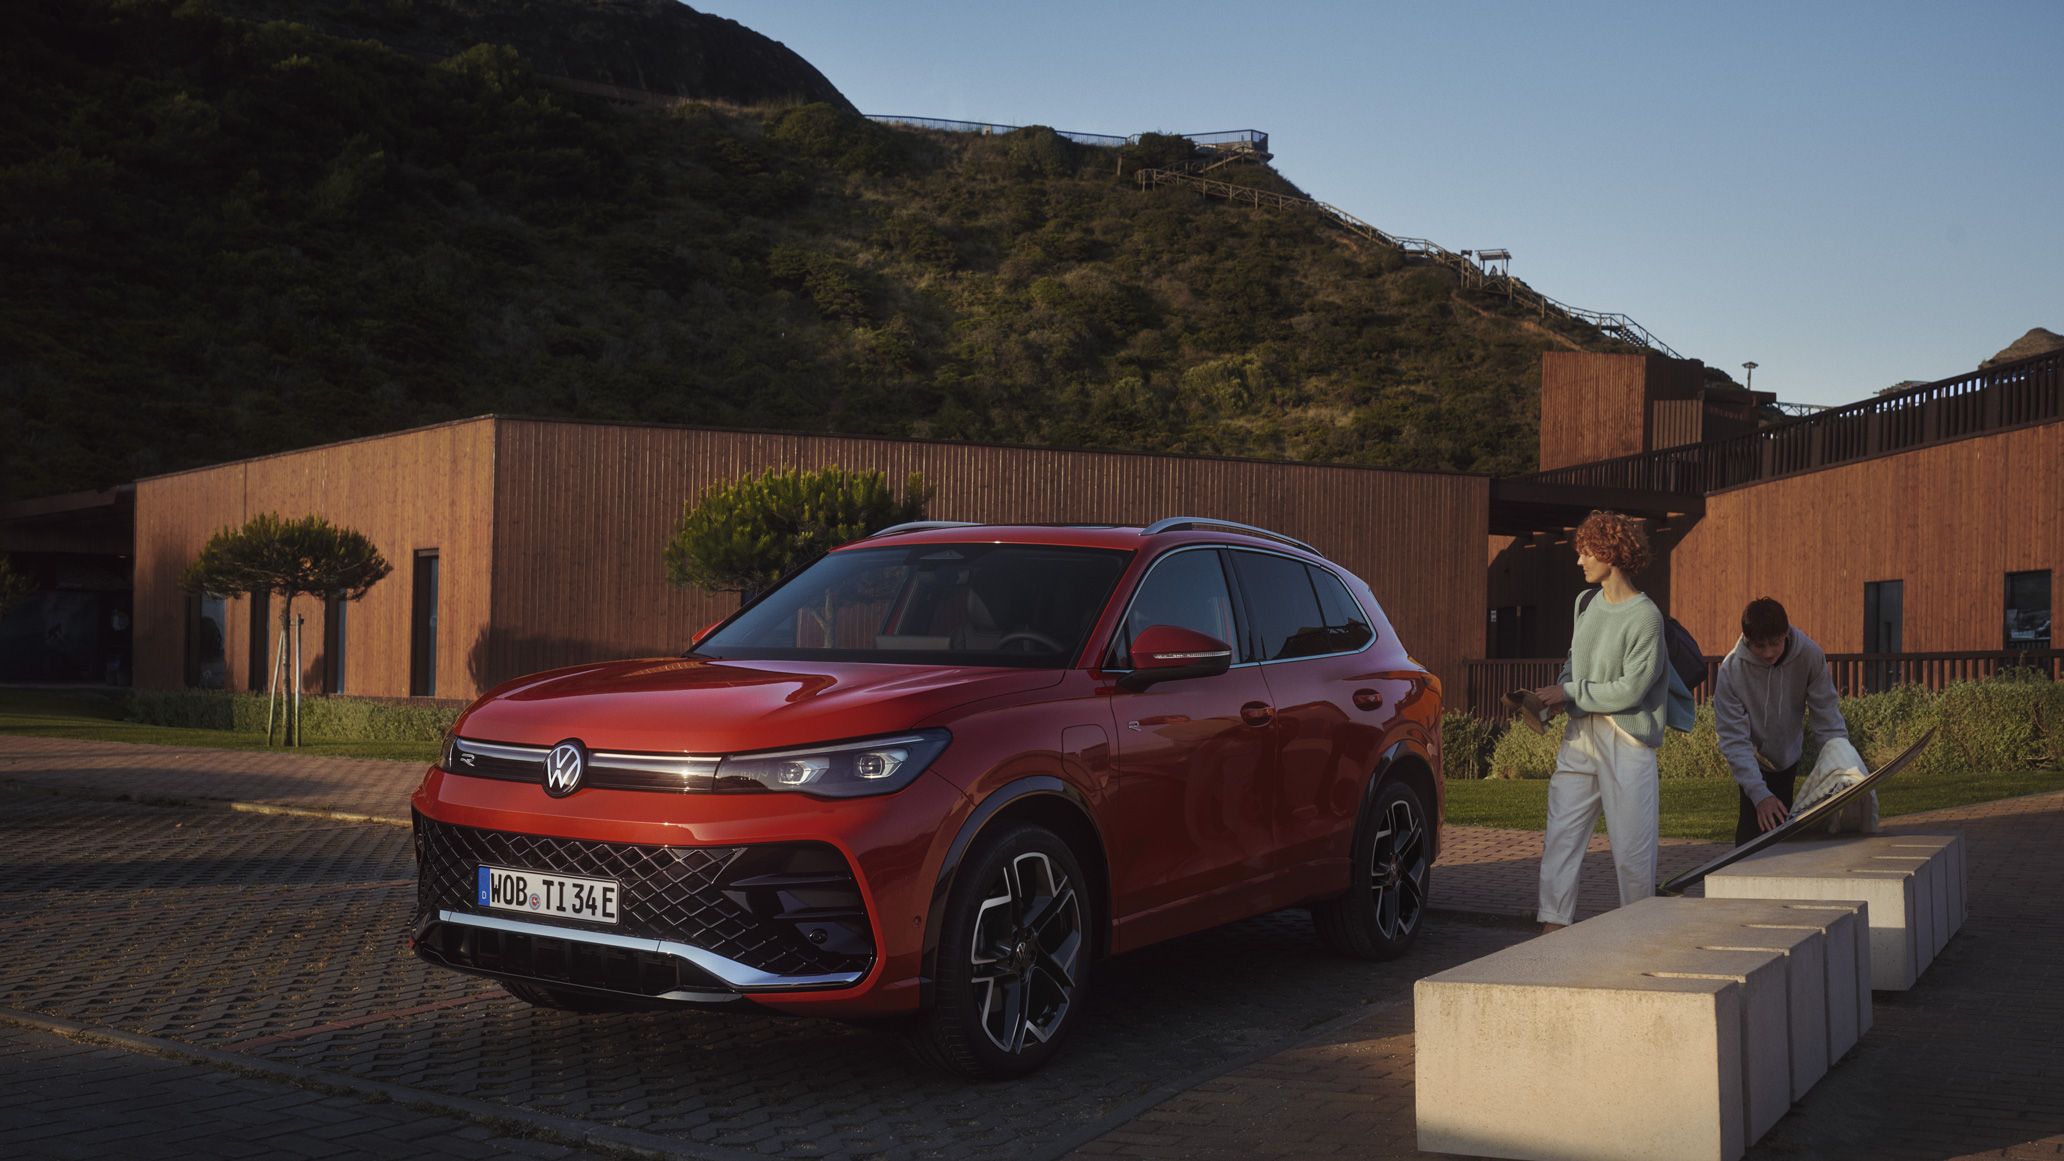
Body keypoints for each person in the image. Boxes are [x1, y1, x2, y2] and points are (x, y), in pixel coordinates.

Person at [1529, 511, 1669, 933]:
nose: (1580, 561)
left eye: (1587, 551)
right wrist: (1555, 695)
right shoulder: (1584, 603)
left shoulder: (1646, 617)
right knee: (1561, 837)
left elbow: (1631, 690)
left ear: (1612, 552)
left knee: (1632, 851)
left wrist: (1570, 693)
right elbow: (1575, 664)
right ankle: (1552, 929)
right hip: (1580, 736)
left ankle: (1637, 934)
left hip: (1626, 740)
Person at [1713, 597, 1850, 845]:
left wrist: (1842, 766)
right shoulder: (1731, 671)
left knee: (1782, 834)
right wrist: (1759, 794)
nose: (1768, 653)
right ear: (1746, 639)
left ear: (1786, 633)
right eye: (1759, 645)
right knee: (1751, 835)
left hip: (1788, 755)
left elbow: (1827, 717)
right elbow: (1733, 740)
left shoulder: (1809, 655)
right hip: (1753, 758)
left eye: (1774, 643)